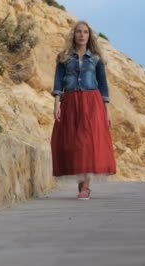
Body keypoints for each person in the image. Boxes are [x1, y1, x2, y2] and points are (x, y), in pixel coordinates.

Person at [50, 20, 117, 200]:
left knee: (88, 144)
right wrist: (57, 104)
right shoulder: (64, 57)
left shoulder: (96, 59)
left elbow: (103, 86)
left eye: (85, 32)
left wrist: (107, 111)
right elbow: (58, 82)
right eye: (78, 32)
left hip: (92, 103)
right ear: (74, 35)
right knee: (75, 144)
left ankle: (85, 187)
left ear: (89, 36)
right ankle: (81, 185)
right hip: (70, 102)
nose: (81, 35)